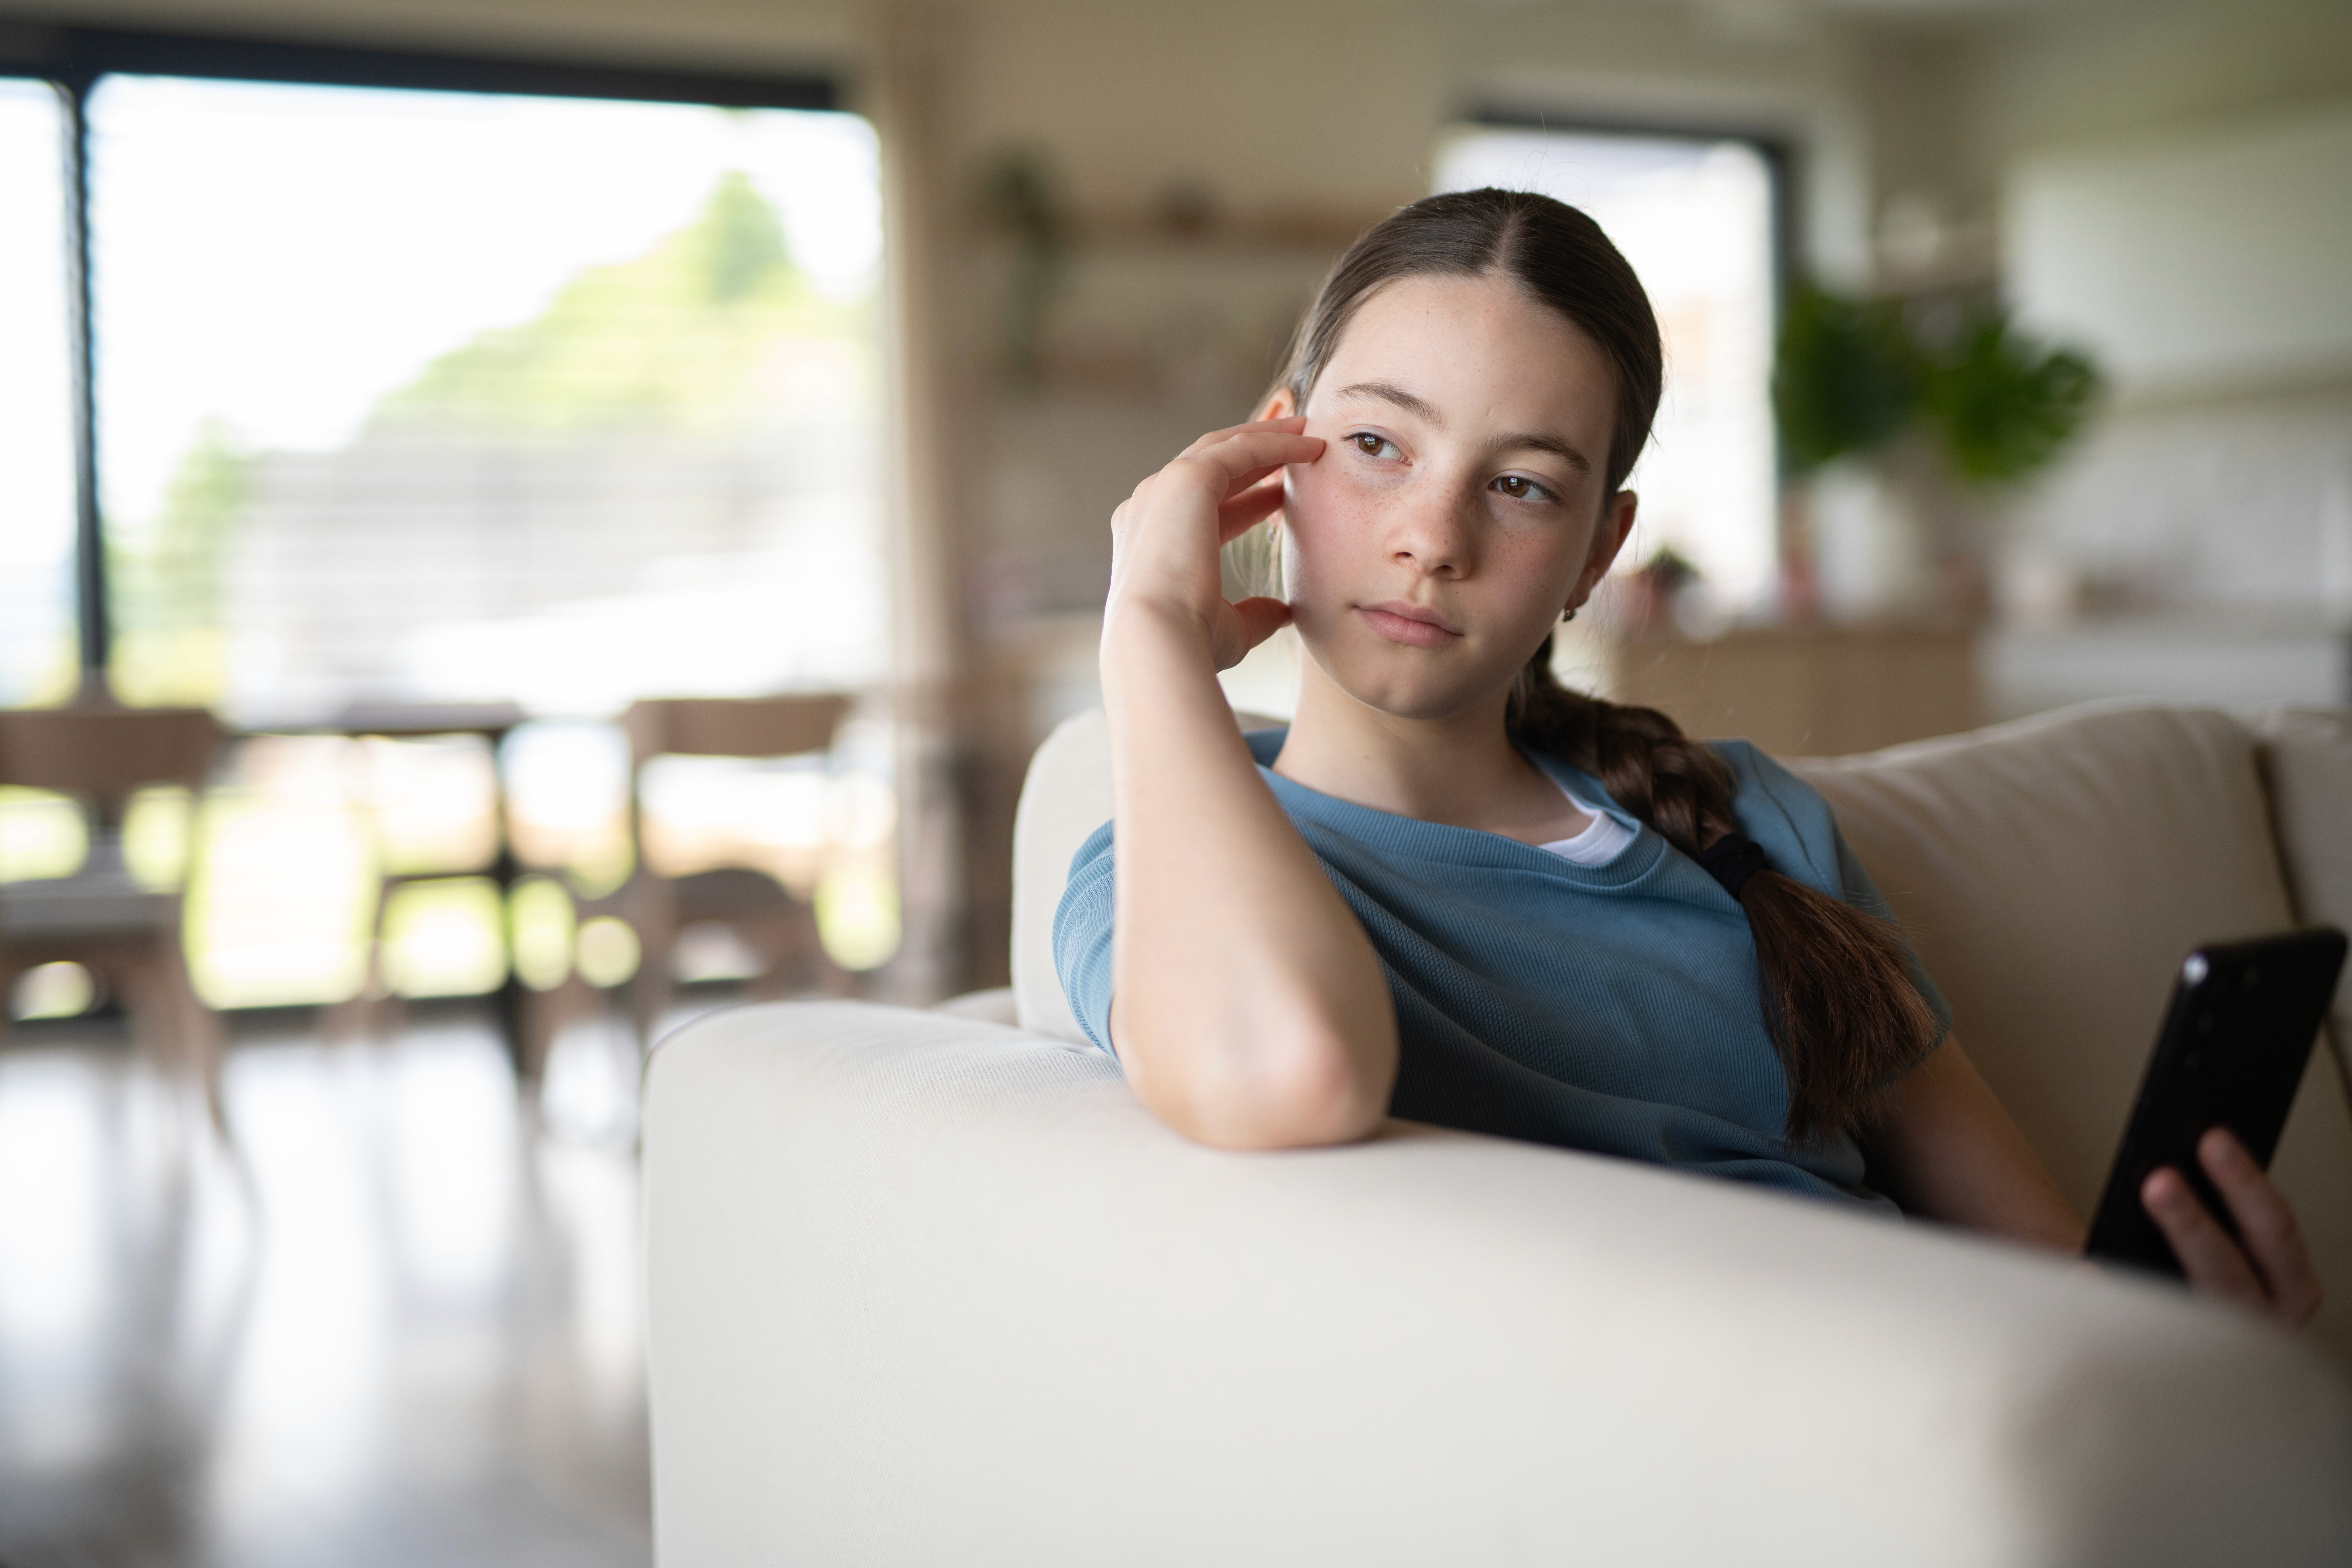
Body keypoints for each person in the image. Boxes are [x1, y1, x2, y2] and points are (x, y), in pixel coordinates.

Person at [1054, 187, 2320, 1327]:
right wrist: (1151, 633)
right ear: (1270, 461)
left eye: (1523, 487)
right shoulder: (1158, 874)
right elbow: (1289, 1069)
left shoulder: (1745, 817)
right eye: (1380, 445)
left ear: (1598, 555)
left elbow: (2046, 1275)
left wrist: (2188, 1337)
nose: (1432, 537)